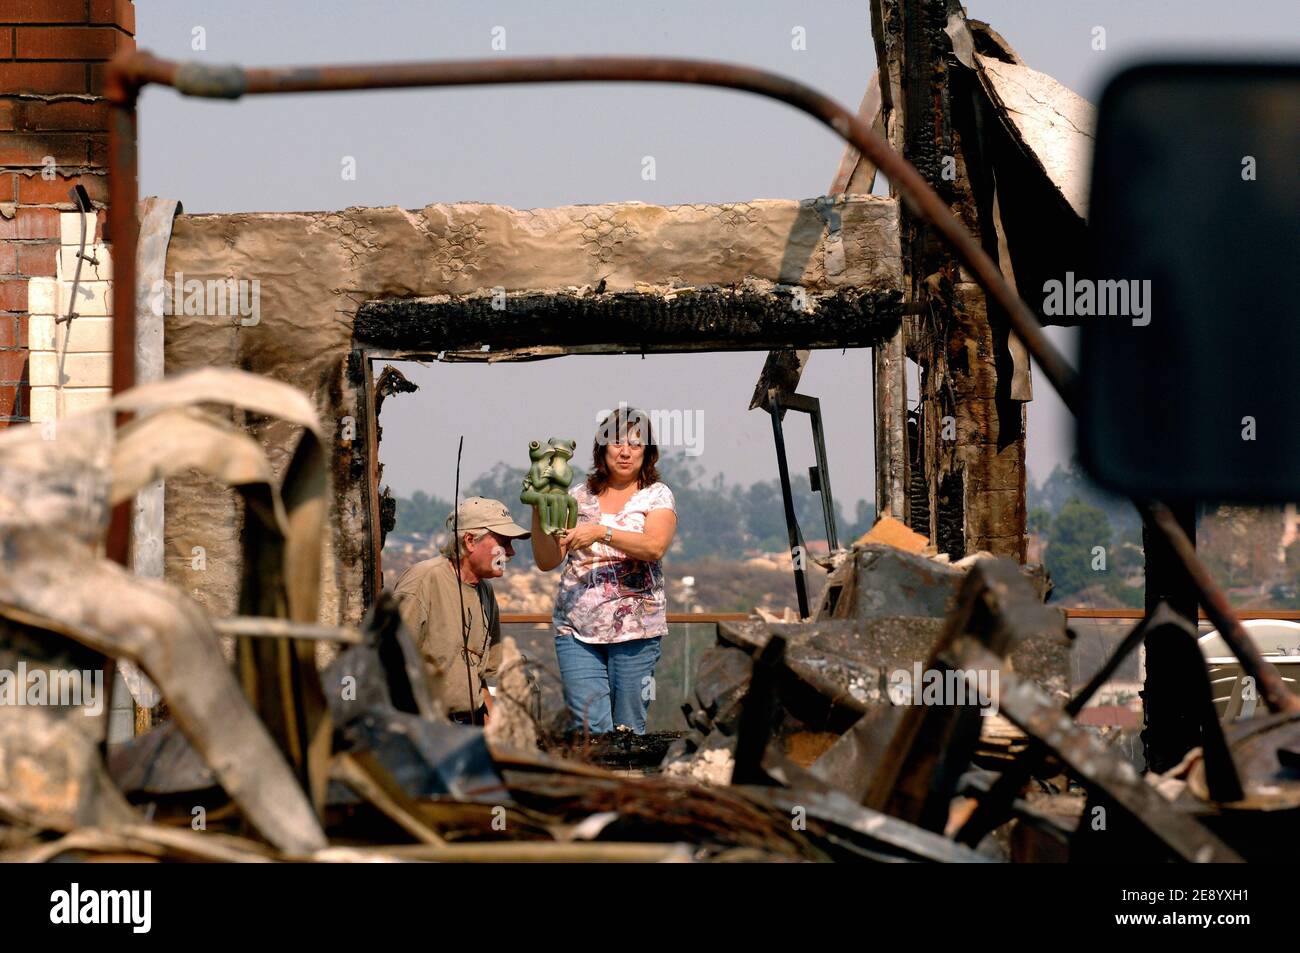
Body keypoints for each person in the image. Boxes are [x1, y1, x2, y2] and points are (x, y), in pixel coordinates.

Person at [531, 406, 677, 734]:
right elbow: (546, 560)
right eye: (616, 442)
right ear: (602, 448)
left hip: (636, 633)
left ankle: (624, 785)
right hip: (576, 630)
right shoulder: (576, 496)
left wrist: (600, 532)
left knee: (627, 727)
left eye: (635, 444)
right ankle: (594, 785)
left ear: (648, 452)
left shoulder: (656, 495)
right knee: (590, 728)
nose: (625, 451)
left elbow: (654, 546)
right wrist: (537, 509)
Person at [392, 497, 530, 725]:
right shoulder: (423, 581)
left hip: (468, 724)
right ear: (470, 541)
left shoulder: (486, 592)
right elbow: (389, 662)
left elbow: (479, 677)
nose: (511, 552)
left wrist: (495, 733)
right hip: (427, 726)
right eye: (504, 542)